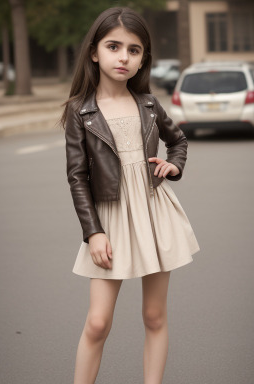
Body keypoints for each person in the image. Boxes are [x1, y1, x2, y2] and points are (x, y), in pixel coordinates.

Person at [61, 6, 200, 384]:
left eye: (134, 50)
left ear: (142, 60)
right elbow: (77, 176)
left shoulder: (149, 105)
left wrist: (174, 166)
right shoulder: (80, 110)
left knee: (154, 316)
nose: (124, 56)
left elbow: (179, 141)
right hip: (110, 219)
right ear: (94, 52)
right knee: (97, 322)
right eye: (114, 46)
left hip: (154, 213)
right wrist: (94, 232)